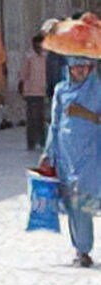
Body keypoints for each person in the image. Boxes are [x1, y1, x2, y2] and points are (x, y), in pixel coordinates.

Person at [43, 56, 101, 267]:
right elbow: (55, 123)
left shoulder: (98, 90)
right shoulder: (61, 90)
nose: (80, 71)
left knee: (84, 201)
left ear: (91, 67)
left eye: (84, 66)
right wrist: (48, 154)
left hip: (91, 154)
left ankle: (84, 246)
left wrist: (85, 114)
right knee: (72, 204)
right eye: (76, 66)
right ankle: (81, 250)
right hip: (66, 155)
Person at [18, 34, 48, 150]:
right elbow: (23, 74)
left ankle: (42, 141)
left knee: (40, 117)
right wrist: (21, 87)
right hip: (30, 92)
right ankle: (31, 142)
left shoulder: (45, 57)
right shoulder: (29, 57)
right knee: (31, 118)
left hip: (41, 91)